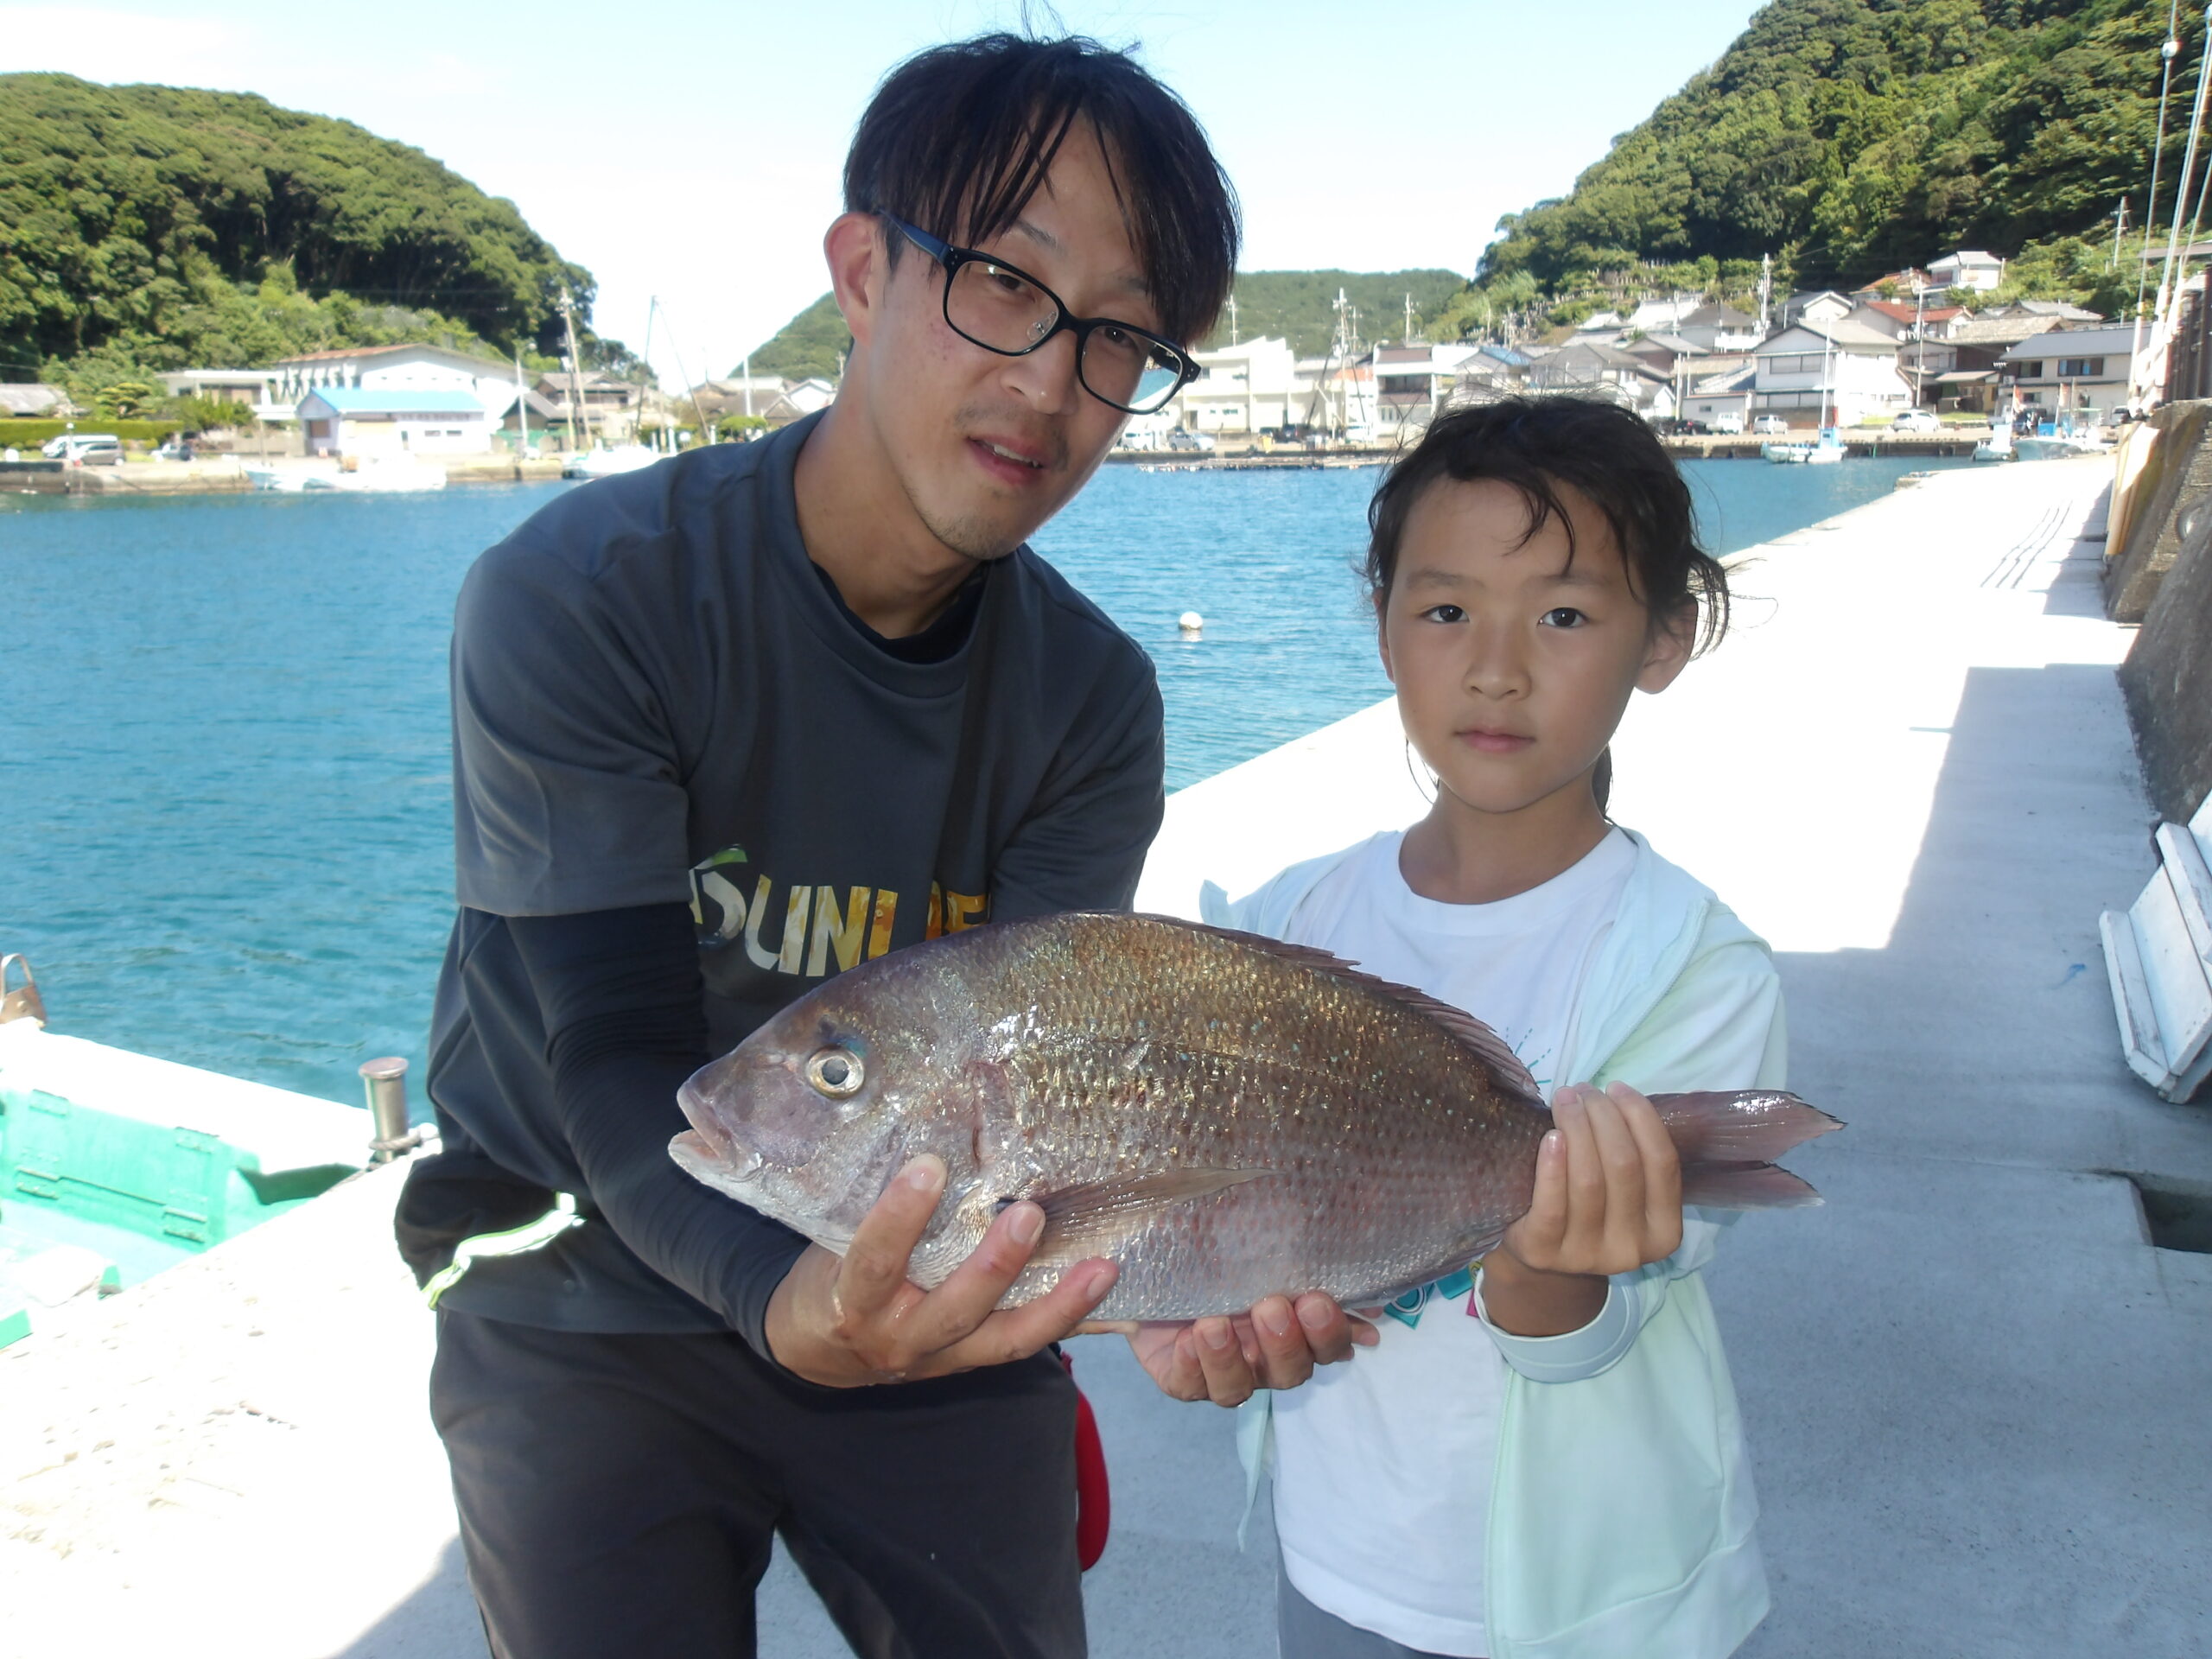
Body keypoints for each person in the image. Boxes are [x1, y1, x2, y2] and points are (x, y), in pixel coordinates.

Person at [393, 33, 1357, 1659]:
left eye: (1122, 336)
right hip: (583, 1262)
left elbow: (1059, 1076)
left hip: (922, 1268)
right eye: (1004, 284)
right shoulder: (585, 597)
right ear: (861, 270)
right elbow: (611, 1050)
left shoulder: (1090, 703)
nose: (1051, 381)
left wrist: (1191, 1265)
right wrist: (787, 1307)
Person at [1204, 396, 1784, 1659]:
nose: (1496, 666)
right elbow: (1228, 1212)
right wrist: (1201, 1314)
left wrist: (1551, 1267)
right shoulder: (1283, 919)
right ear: (1384, 627)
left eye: (1565, 615)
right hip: (1340, 1562)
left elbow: (1601, 1332)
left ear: (1665, 639)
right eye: (1447, 608)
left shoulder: (1696, 966)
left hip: (1596, 1600)